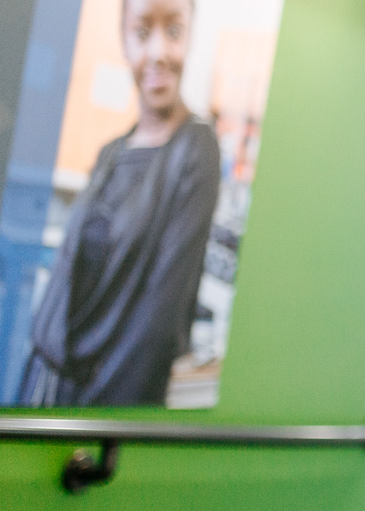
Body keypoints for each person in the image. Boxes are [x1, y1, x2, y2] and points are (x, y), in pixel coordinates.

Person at [20, 0, 220, 406]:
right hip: (43, 384)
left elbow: (155, 325)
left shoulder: (195, 148)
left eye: (175, 31)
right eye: (143, 32)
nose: (158, 52)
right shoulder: (110, 152)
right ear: (124, 42)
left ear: (192, 35)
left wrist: (91, 425)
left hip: (96, 406)